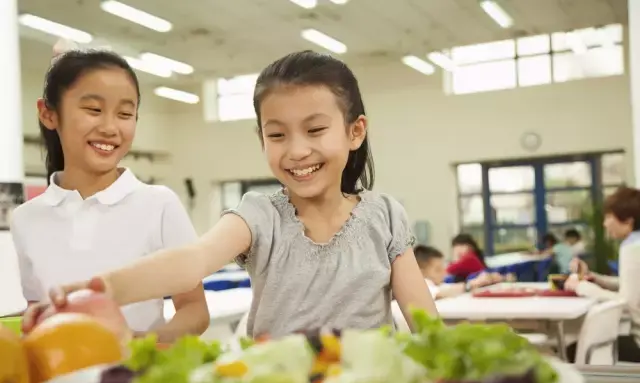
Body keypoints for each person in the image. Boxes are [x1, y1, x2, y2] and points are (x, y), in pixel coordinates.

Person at [23, 50, 437, 338]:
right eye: (277, 134)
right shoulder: (258, 215)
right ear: (261, 138)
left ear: (354, 131)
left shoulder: (384, 216)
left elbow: (424, 322)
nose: (296, 150)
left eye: (315, 130)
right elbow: (192, 261)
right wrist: (102, 289)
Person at [11, 47, 208, 343]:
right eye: (93, 110)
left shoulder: (159, 204)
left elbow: (194, 308)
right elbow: (37, 309)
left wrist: (145, 344)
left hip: (136, 381)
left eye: (125, 114)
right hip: (57, 380)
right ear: (48, 114)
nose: (110, 127)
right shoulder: (25, 218)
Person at [566, 186, 640, 362]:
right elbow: (633, 285)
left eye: (609, 217)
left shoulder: (632, 248)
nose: (605, 224)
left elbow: (628, 302)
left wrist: (582, 287)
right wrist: (595, 278)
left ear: (628, 221)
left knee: (572, 349)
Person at [414, 245, 500, 299]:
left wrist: (479, 282)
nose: (444, 273)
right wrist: (470, 285)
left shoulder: (438, 284)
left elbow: (449, 287)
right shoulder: (423, 284)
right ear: (422, 273)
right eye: (438, 270)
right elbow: (439, 293)